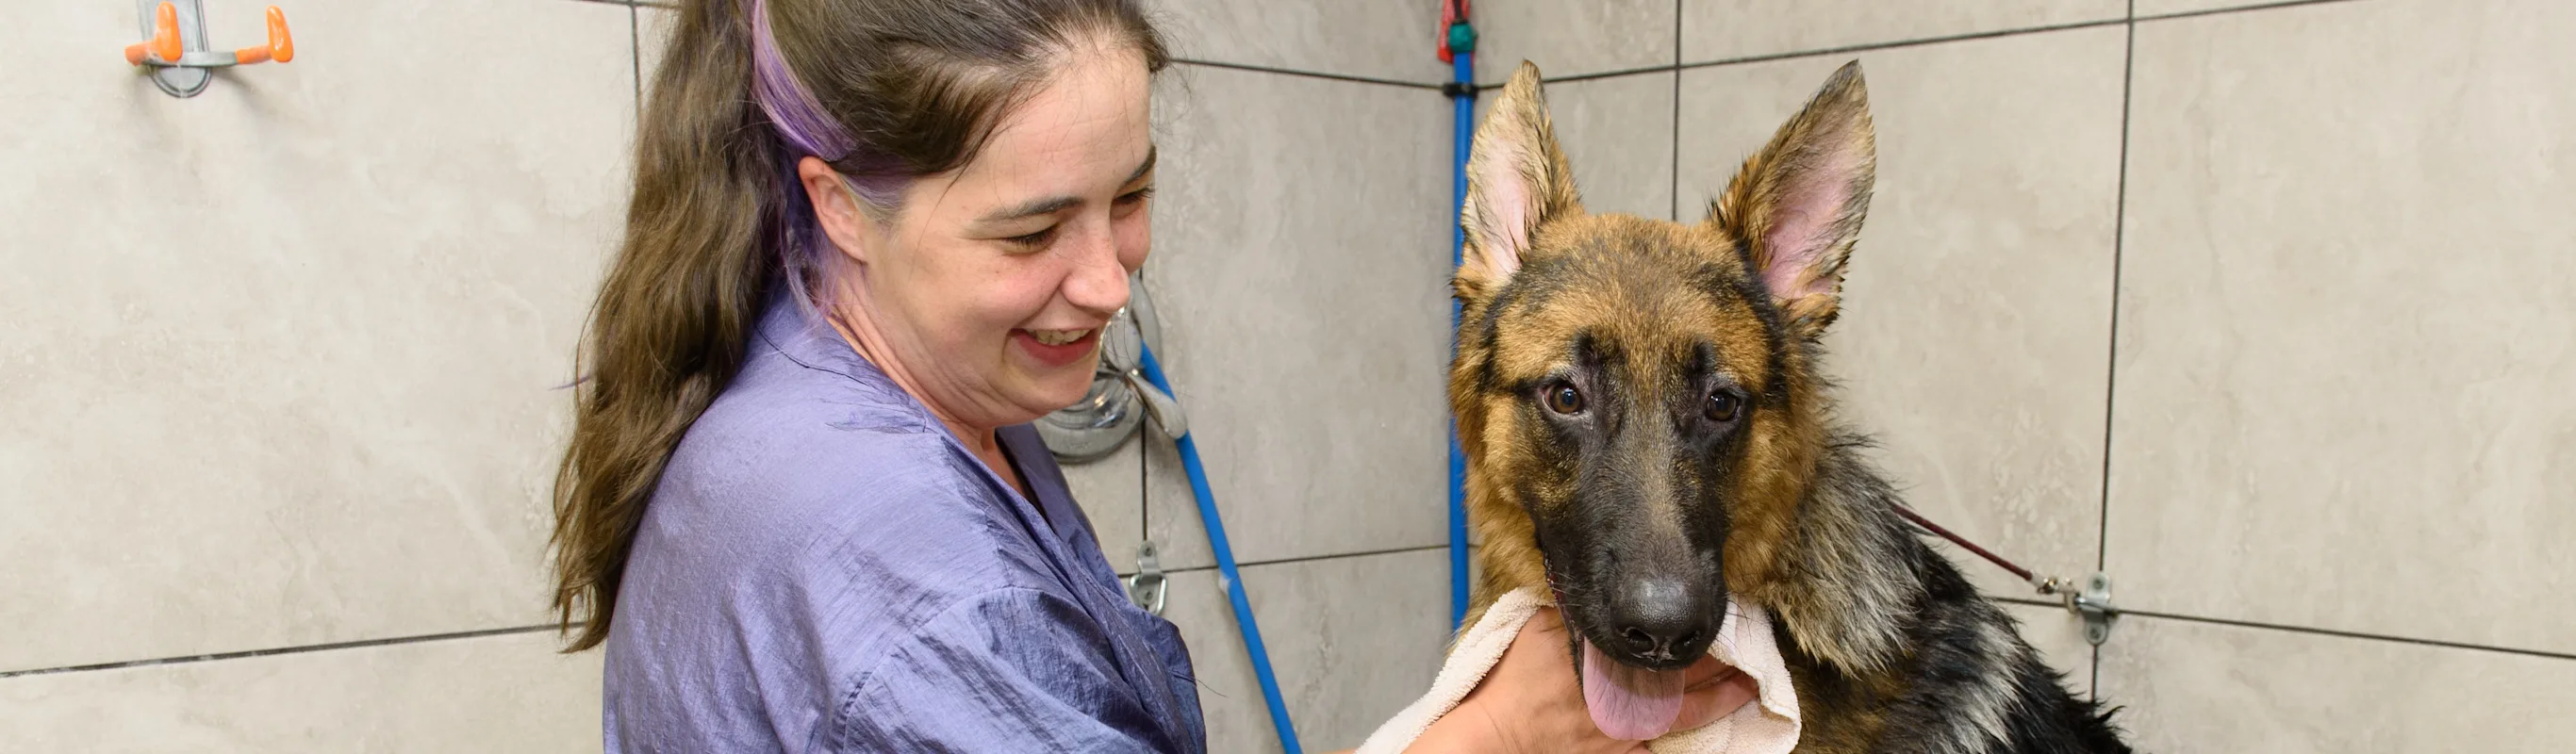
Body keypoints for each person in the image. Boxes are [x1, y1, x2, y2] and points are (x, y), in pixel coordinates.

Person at [546, 0, 1729, 751]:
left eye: (1131, 198)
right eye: (1030, 234)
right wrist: (1491, 737)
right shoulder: (922, 588)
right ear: (839, 207)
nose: (1109, 284)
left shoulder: (806, 373)